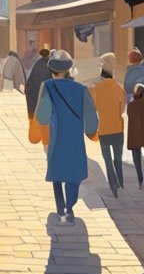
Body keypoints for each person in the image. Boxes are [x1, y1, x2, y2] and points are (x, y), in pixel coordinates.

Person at [35, 51, 98, 223]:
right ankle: (70, 207)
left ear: (51, 70)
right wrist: (91, 130)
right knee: (73, 174)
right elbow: (91, 116)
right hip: (76, 140)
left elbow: (41, 116)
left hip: (57, 138)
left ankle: (60, 208)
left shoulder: (48, 86)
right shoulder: (81, 89)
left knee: (57, 173)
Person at [91, 53, 126, 195]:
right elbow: (122, 110)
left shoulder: (96, 89)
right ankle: (121, 181)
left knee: (107, 160)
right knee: (118, 158)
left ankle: (113, 184)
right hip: (117, 128)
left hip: (103, 129)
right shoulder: (119, 88)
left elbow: (96, 107)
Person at [123, 49, 144, 180]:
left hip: (133, 105)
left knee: (135, 133)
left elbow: (126, 87)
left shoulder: (129, 72)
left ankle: (139, 166)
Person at [25, 47, 52, 146]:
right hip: (46, 96)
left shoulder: (35, 65)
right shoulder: (50, 66)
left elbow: (29, 81)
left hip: (34, 95)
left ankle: (37, 136)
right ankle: (45, 139)